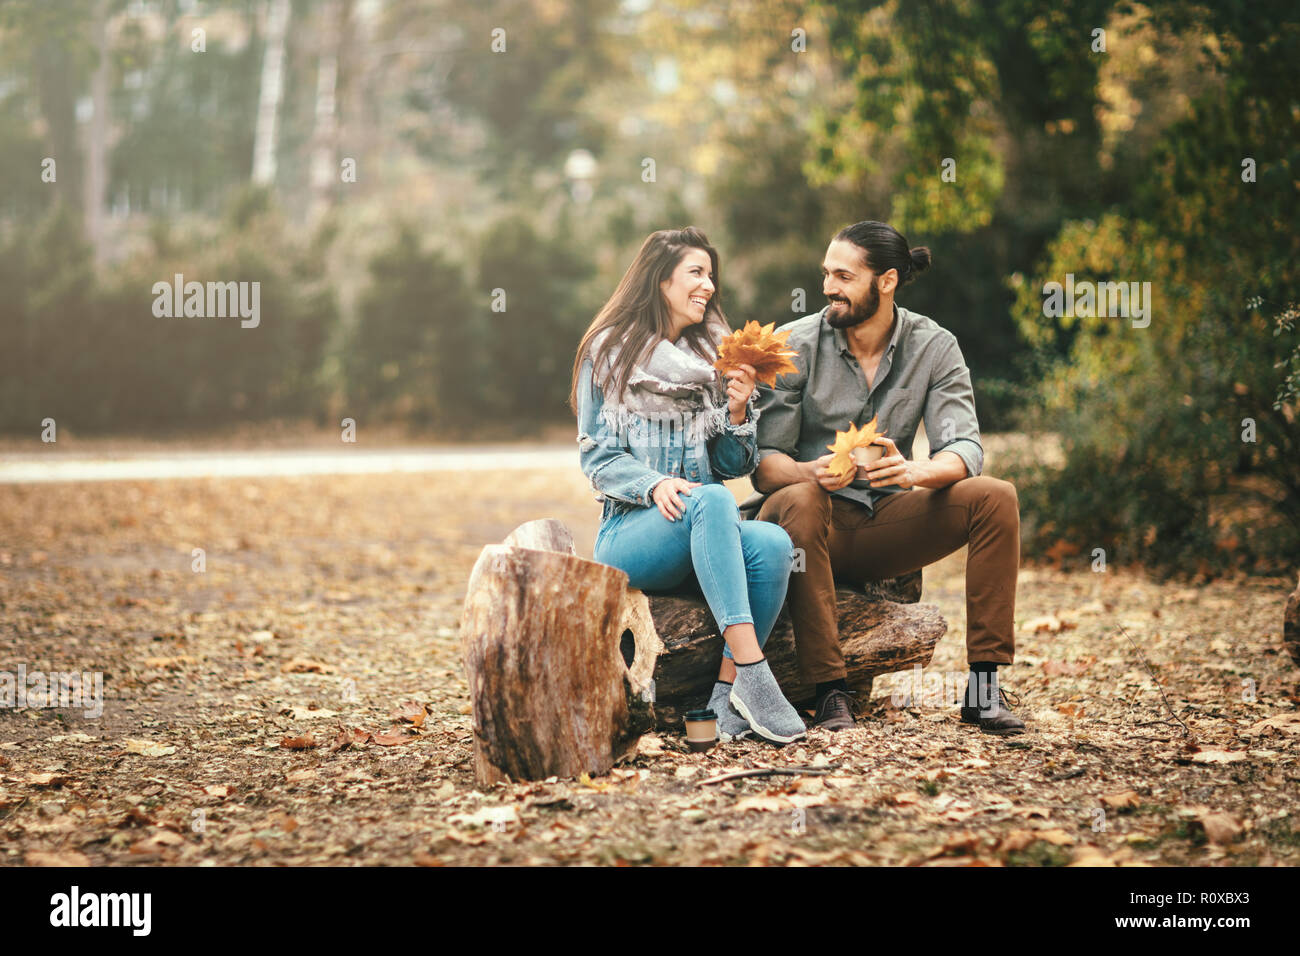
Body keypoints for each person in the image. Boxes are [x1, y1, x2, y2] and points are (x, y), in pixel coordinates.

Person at [746, 220, 1025, 735]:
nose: (829, 287)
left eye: (844, 276)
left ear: (887, 281)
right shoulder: (796, 344)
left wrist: (914, 470)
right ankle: (830, 691)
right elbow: (764, 464)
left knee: (995, 498)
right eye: (827, 274)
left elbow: (964, 446)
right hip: (806, 525)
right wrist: (812, 471)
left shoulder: (934, 346)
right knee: (803, 498)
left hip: (883, 520)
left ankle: (984, 689)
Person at [571, 227, 805, 745]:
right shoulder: (607, 352)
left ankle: (727, 697)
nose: (708, 285)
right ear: (659, 280)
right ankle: (756, 672)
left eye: (711, 275)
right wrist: (653, 485)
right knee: (714, 500)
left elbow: (729, 464)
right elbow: (596, 455)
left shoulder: (712, 360)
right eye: (695, 273)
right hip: (633, 534)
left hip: (704, 526)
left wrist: (739, 409)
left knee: (772, 543)